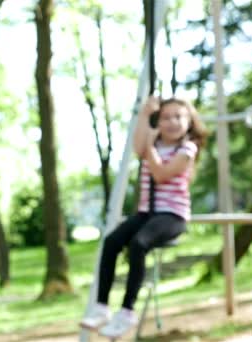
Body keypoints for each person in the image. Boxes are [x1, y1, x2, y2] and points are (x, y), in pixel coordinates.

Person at [80, 95, 208, 338]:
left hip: (172, 215)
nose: (172, 122)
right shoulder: (155, 143)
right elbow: (138, 146)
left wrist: (149, 147)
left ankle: (127, 311)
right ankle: (101, 306)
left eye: (178, 117)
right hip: (146, 212)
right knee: (112, 241)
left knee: (139, 244)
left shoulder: (187, 148)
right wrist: (143, 114)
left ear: (189, 121)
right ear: (158, 121)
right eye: (166, 117)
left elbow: (161, 174)